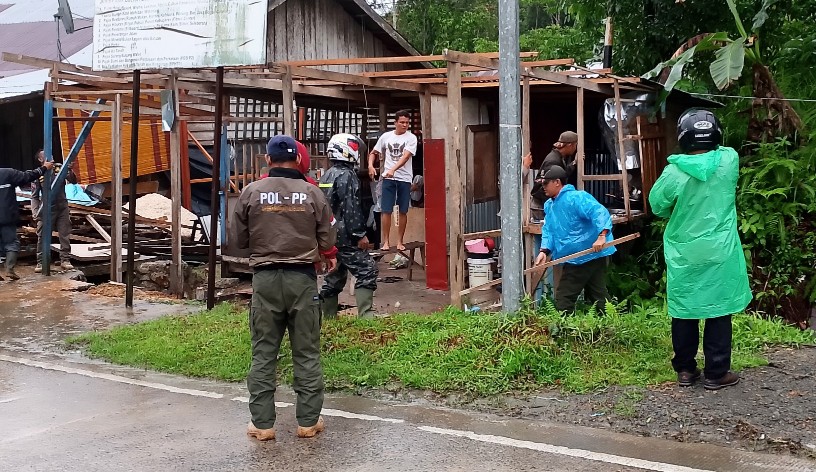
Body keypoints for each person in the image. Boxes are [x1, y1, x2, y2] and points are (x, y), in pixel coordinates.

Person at [230, 135, 337, 441]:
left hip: (265, 280)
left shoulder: (251, 192)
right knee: (306, 352)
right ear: (299, 160)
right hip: (302, 280)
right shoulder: (312, 193)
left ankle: (262, 425)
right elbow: (328, 239)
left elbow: (238, 239)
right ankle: (307, 422)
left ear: (267, 160)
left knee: (264, 352)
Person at [649, 108, 752, 390]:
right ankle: (717, 373)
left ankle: (685, 371)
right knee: (719, 310)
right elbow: (721, 153)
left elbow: (657, 206)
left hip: (685, 253)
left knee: (684, 310)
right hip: (720, 251)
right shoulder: (729, 161)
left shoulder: (674, 173)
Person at [534, 166, 615, 312]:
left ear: (557, 182)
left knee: (564, 300)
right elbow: (549, 230)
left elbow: (599, 212)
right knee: (599, 296)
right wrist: (544, 251)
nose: (543, 187)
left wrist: (602, 235)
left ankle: (563, 332)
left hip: (584, 254)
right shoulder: (549, 205)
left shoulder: (577, 198)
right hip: (580, 256)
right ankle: (612, 328)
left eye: (546, 183)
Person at [321, 133, 379, 319]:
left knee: (334, 275)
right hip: (346, 235)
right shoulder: (347, 175)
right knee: (367, 270)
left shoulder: (328, 174)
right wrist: (360, 234)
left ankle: (328, 317)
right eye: (353, 147)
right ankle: (366, 315)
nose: (355, 151)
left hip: (330, 234)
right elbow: (351, 208)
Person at [524, 131, 580, 300]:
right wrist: (554, 202)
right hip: (541, 205)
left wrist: (573, 165)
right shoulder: (552, 160)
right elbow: (544, 187)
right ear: (570, 145)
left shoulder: (558, 158)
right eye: (575, 145)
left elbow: (560, 176)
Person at [367, 110, 418, 251]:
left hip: (404, 178)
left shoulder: (411, 138)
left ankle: (400, 241)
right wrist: (371, 166)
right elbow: (374, 152)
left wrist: (393, 169)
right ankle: (386, 241)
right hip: (388, 178)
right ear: (395, 123)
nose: (404, 125)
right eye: (402, 122)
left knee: (403, 210)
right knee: (386, 209)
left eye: (407, 123)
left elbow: (406, 156)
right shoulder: (386, 136)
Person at [0, 160, 54, 280]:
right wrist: (44, 168)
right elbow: (27, 176)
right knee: (11, 243)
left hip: (6, 217)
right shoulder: (7, 173)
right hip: (7, 216)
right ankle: (9, 269)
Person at [31, 150, 74, 272]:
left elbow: (73, 180)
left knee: (64, 234)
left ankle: (65, 260)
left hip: (62, 207)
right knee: (42, 235)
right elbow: (34, 196)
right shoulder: (38, 174)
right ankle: (41, 262)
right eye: (45, 156)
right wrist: (35, 212)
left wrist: (70, 170)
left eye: (51, 154)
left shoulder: (60, 168)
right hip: (46, 209)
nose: (50, 157)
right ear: (40, 160)